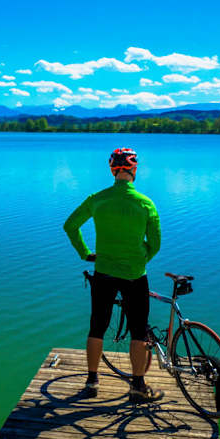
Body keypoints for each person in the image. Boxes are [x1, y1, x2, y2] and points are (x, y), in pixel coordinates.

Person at [63, 147, 162, 402]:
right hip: (134, 274)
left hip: (103, 271)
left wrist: (85, 253)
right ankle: (138, 387)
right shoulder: (145, 203)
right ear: (134, 170)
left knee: (97, 326)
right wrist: (140, 258)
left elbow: (70, 225)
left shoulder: (97, 198)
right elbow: (156, 244)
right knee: (139, 331)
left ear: (113, 170)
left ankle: (92, 381)